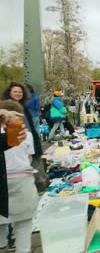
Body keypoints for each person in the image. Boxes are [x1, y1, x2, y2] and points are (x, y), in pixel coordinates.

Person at [0, 100, 39, 253]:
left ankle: (2, 246)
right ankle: (23, 249)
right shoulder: (25, 134)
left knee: (1, 222)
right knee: (23, 223)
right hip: (22, 179)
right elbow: (29, 158)